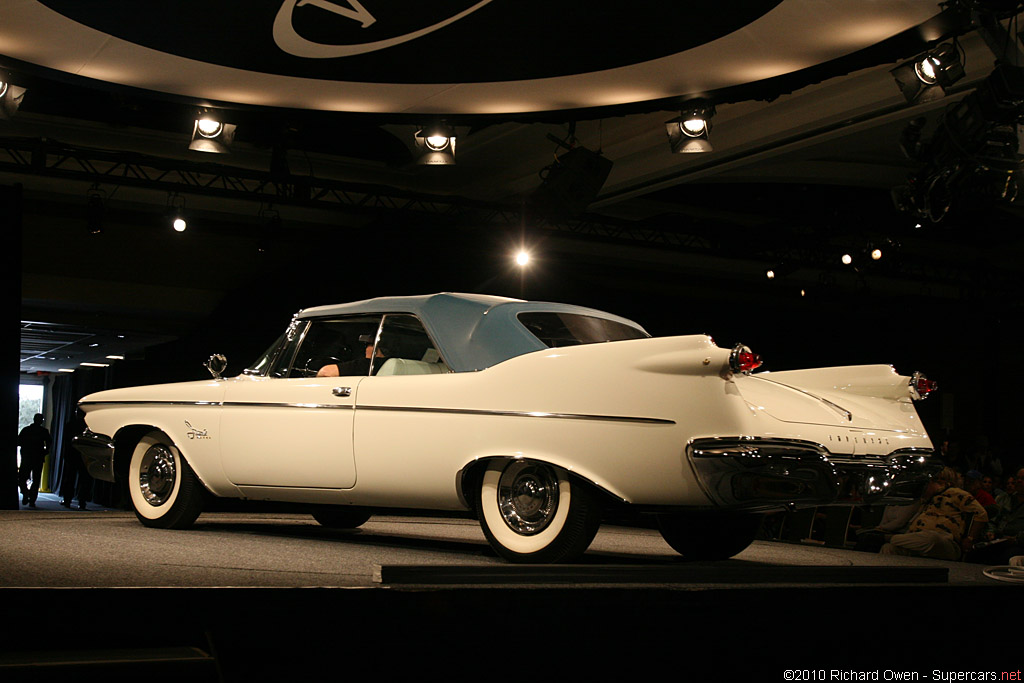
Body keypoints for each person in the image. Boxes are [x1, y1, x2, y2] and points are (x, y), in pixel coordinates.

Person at [879, 467, 988, 561]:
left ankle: (884, 538)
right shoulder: (926, 499)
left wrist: (970, 539)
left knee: (931, 539)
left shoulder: (957, 493)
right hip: (916, 539)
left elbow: (981, 514)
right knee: (888, 548)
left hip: (945, 541)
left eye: (940, 480)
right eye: (934, 480)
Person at [18, 413, 51, 509]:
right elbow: (49, 443)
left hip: (27, 457)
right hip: (38, 458)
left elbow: (19, 442)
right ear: (41, 421)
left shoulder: (26, 430)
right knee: (36, 480)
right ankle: (32, 499)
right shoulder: (43, 431)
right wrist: (45, 451)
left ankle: (25, 493)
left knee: (22, 478)